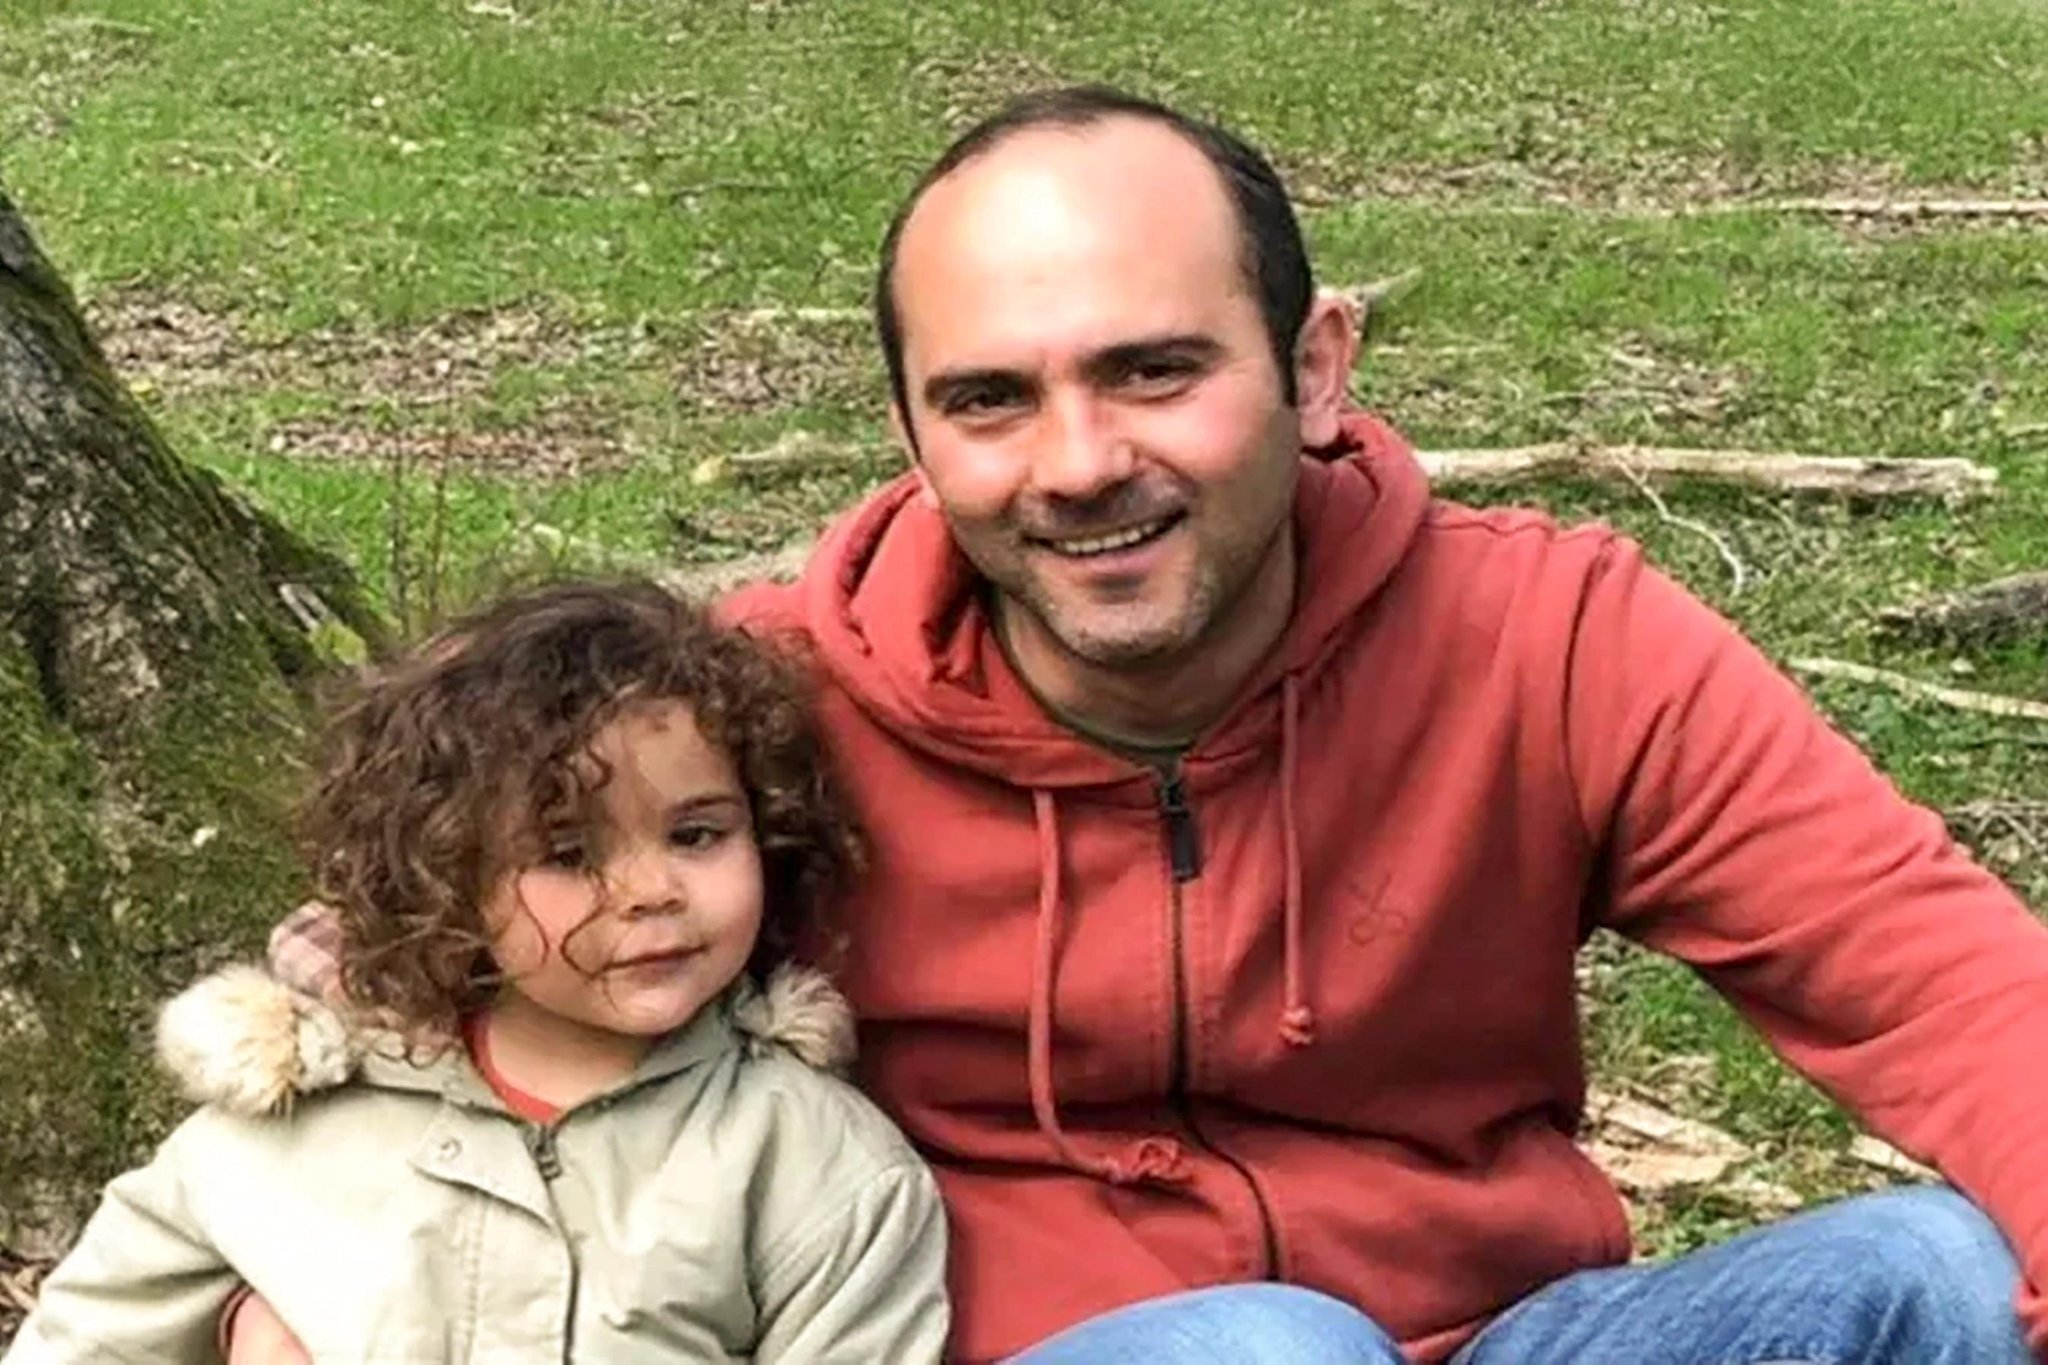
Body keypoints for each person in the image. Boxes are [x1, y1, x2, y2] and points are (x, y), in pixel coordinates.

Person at [227, 86, 2048, 1363]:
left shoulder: (1550, 641)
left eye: (1153, 370)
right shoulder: (750, 708)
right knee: (1263, 1352)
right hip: (1076, 1350)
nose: (1081, 463)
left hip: (1506, 1333)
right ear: (912, 433)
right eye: (990, 402)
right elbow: (458, 980)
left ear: (1313, 366)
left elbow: (1938, 979)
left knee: (1923, 1273)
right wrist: (297, 1289)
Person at [7, 580, 949, 1363]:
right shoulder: (282, 1132)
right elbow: (87, 1341)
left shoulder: (815, 1167)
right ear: (446, 878)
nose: (651, 891)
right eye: (568, 854)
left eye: (696, 834)